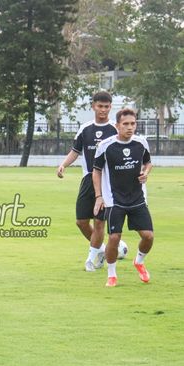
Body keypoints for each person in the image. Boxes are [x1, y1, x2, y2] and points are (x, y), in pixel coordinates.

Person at [57, 91, 118, 271]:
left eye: (106, 107)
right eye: (100, 106)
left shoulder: (115, 129)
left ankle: (91, 260)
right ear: (93, 106)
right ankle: (103, 250)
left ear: (110, 107)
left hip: (107, 182)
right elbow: (76, 151)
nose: (103, 110)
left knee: (99, 222)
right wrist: (63, 165)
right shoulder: (85, 129)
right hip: (87, 178)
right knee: (81, 221)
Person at [92, 108, 153, 287]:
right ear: (117, 125)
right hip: (114, 199)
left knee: (148, 236)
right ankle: (112, 274)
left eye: (132, 124)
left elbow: (148, 162)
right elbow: (96, 171)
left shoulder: (141, 143)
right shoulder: (106, 146)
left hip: (138, 198)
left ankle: (139, 262)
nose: (129, 127)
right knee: (114, 238)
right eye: (125, 124)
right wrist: (98, 196)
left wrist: (146, 172)